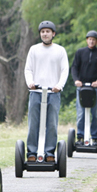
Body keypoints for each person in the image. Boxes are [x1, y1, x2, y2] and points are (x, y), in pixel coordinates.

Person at [24, 20, 69, 162]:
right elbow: (28, 69)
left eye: (48, 31)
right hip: (36, 92)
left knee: (52, 124)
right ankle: (32, 152)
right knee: (33, 123)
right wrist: (30, 83)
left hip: (53, 92)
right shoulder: (34, 49)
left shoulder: (60, 50)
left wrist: (59, 85)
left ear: (53, 34)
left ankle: (50, 153)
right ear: (40, 34)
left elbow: (64, 70)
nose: (45, 34)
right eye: (42, 32)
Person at [71, 30, 97, 144]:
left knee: (95, 113)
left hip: (95, 88)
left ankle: (95, 137)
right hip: (81, 87)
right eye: (90, 39)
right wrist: (76, 80)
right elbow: (74, 67)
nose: (91, 41)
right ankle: (80, 136)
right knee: (81, 113)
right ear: (87, 40)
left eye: (94, 39)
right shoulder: (80, 52)